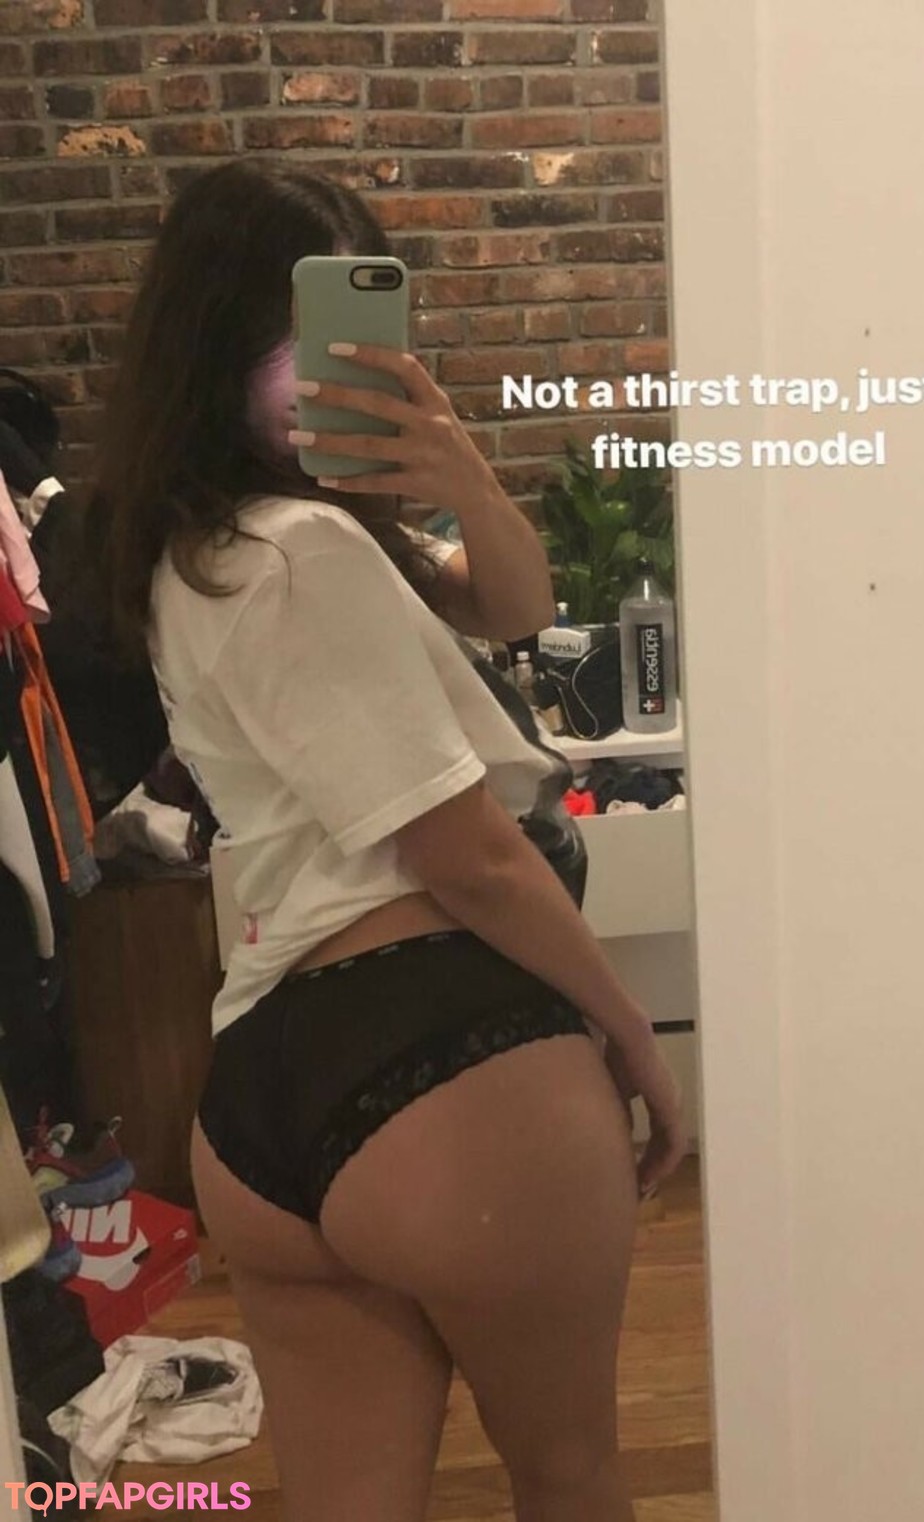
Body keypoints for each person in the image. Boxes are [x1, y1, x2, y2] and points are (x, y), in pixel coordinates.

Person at [80, 158, 687, 1522]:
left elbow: (515, 608)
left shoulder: (208, 549)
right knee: (571, 1478)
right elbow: (467, 854)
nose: (320, 376)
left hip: (264, 1091)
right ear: (216, 349)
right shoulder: (304, 552)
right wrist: (634, 1036)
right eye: (287, 344)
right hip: (452, 1057)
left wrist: (457, 468)